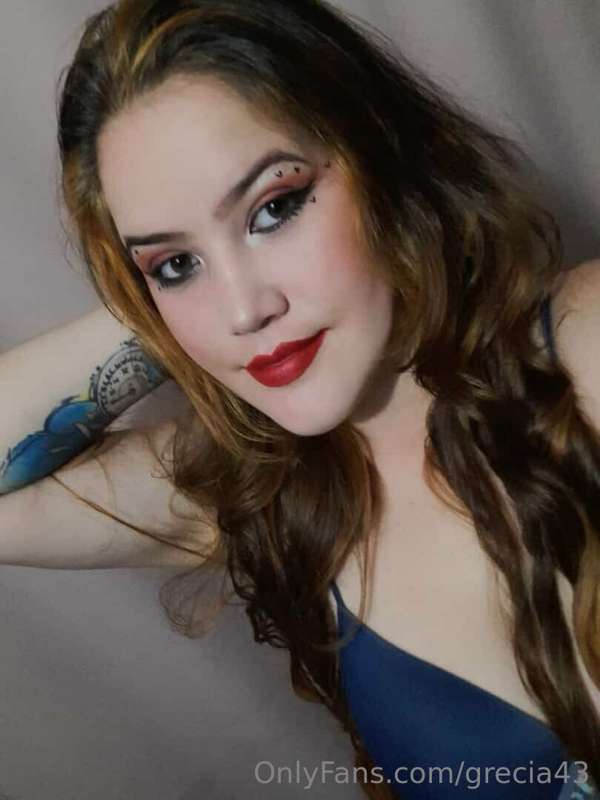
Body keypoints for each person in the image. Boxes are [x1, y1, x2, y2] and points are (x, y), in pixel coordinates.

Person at [1, 0, 600, 796]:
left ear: (382, 155)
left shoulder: (584, 343)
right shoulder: (254, 494)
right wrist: (153, 299)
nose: (244, 310)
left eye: (274, 208)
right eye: (174, 265)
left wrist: (183, 263)